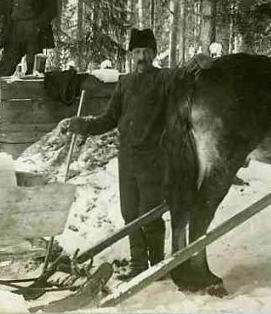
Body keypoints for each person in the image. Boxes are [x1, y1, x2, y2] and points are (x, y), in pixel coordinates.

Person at [57, 28, 207, 280]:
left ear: (154, 54)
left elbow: (182, 74)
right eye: (137, 52)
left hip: (154, 159)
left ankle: (158, 267)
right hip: (127, 159)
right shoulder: (125, 82)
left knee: (149, 213)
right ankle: (138, 264)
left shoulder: (163, 79)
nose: (141, 57)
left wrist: (197, 62)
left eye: (146, 52)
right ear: (131, 55)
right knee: (129, 213)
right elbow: (109, 119)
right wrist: (79, 124)